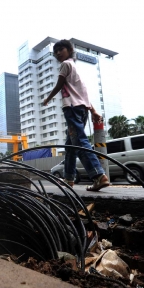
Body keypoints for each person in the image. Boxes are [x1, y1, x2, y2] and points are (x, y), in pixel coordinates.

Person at [43, 39, 110, 191]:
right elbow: (83, 94)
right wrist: (92, 110)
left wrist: (47, 98)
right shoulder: (75, 68)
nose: (58, 53)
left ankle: (98, 175)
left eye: (61, 49)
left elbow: (59, 85)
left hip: (72, 108)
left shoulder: (66, 65)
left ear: (69, 50)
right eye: (56, 51)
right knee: (70, 145)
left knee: (79, 141)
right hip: (82, 109)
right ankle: (68, 178)